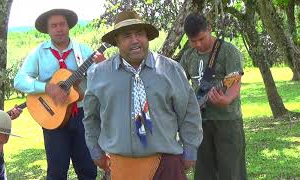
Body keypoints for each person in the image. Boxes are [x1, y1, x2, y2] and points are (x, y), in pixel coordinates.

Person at [83, 10, 203, 180]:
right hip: (121, 166)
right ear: (117, 41)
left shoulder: (170, 70)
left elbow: (189, 112)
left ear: (147, 37)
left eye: (139, 34)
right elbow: (91, 118)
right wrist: (96, 152)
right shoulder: (99, 74)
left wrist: (190, 151)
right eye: (127, 36)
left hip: (166, 164)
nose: (135, 41)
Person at [14, 9, 104, 180]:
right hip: (51, 117)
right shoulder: (38, 53)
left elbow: (101, 81)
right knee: (56, 173)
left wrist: (103, 67)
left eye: (62, 24)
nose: (59, 29)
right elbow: (19, 80)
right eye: (53, 25)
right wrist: (47, 87)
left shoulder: (83, 51)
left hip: (82, 116)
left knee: (88, 170)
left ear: (68, 26)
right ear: (48, 30)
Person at [180, 13, 247, 180]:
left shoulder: (228, 51)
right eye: (193, 41)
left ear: (209, 29)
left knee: (231, 171)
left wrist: (227, 99)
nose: (197, 44)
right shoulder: (188, 56)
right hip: (200, 122)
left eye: (201, 39)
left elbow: (235, 81)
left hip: (227, 121)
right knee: (204, 172)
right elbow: (179, 84)